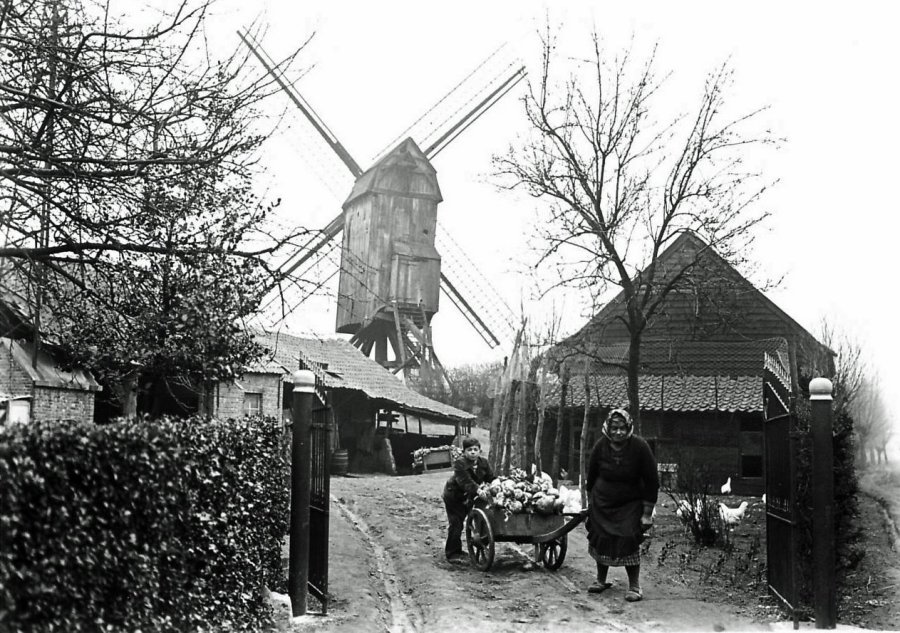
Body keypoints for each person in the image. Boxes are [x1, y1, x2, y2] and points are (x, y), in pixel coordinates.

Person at [585, 408, 659, 602]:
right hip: (603, 502)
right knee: (601, 538)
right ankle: (601, 580)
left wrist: (647, 513)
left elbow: (652, 480)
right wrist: (590, 503)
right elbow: (591, 476)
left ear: (629, 428)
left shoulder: (640, 447)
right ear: (607, 429)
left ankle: (634, 585)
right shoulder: (600, 446)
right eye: (614, 428)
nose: (618, 432)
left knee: (628, 538)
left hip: (630, 503)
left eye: (622, 428)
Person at [442, 436, 493, 563]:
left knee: (476, 520)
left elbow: (490, 478)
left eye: (475, 449)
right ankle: (452, 553)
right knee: (456, 523)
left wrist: (498, 485)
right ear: (464, 452)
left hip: (470, 497)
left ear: (480, 451)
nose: (473, 452)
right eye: (469, 450)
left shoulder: (484, 463)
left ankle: (479, 543)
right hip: (454, 496)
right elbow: (465, 481)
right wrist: (479, 490)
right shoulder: (460, 463)